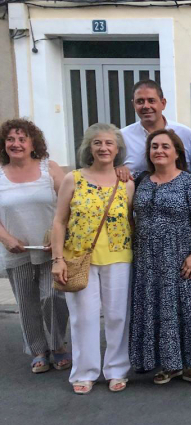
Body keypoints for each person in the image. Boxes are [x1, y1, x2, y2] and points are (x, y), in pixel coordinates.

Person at [51, 124, 134, 394]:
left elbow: (132, 221)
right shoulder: (73, 179)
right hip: (78, 257)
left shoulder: (127, 182)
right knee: (83, 318)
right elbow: (59, 221)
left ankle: (117, 369)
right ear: (89, 148)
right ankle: (84, 372)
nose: (103, 148)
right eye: (97, 143)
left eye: (109, 143)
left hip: (119, 257)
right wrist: (57, 259)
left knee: (117, 316)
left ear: (118, 149)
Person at [129, 129, 191, 387]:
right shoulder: (142, 181)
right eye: (154, 146)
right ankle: (169, 364)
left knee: (187, 310)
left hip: (181, 259)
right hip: (148, 261)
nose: (159, 151)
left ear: (177, 152)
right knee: (156, 309)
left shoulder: (189, 183)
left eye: (165, 146)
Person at [0, 119, 70, 374]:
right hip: (15, 250)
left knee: (53, 296)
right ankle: (38, 350)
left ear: (33, 144)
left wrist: (58, 237)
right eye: (10, 139)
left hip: (51, 249)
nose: (16, 144)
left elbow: (69, 204)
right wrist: (6, 239)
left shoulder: (49, 168)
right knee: (26, 301)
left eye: (22, 139)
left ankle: (58, 344)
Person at [121, 79, 191, 177]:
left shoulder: (186, 135)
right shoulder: (122, 138)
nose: (146, 106)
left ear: (163, 103)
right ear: (133, 105)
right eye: (140, 101)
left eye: (151, 101)